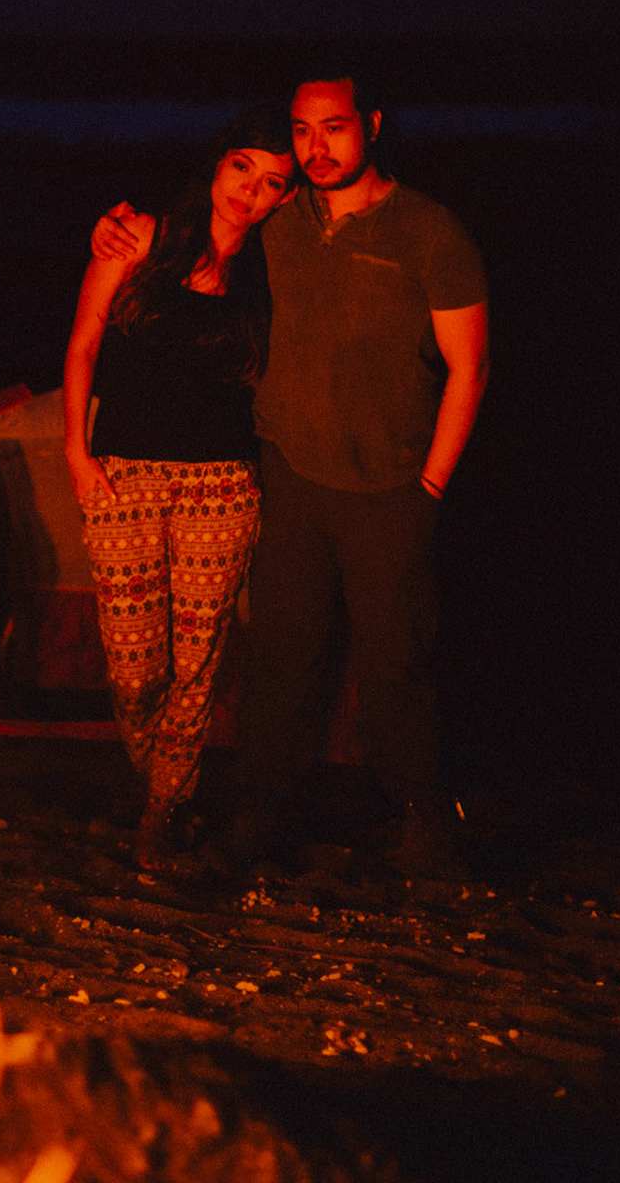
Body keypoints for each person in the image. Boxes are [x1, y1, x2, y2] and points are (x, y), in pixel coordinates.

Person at [95, 63, 489, 877]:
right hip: (292, 474)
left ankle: (425, 825)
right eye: (303, 132)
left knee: (395, 663)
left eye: (334, 128)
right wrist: (124, 228)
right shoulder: (282, 216)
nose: (315, 147)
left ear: (371, 124)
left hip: (391, 482)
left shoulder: (429, 232)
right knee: (283, 659)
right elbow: (207, 226)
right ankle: (256, 820)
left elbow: (469, 368)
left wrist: (433, 484)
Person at [63, 106, 296, 869]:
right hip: (124, 473)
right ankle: (157, 784)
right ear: (217, 165)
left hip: (221, 485)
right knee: (135, 668)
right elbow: (85, 341)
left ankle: (164, 813)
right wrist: (75, 450)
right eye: (242, 169)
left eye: (271, 183)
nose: (250, 192)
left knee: (197, 663)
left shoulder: (274, 273)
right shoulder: (142, 239)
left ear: (283, 199)